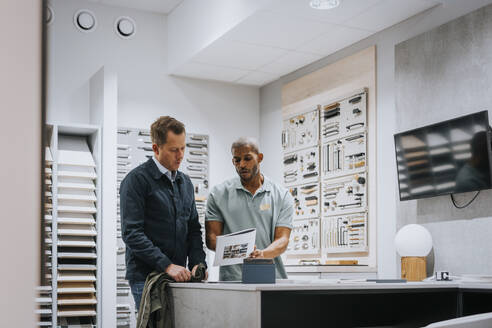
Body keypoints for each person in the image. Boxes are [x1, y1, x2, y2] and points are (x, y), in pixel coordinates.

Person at [120, 116, 207, 310]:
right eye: (174, 150)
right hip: (146, 278)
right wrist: (166, 265)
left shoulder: (185, 183)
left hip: (178, 276)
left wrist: (197, 263)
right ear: (156, 148)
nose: (180, 155)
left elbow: (193, 229)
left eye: (183, 148)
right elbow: (132, 233)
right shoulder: (136, 181)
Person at [205, 137, 293, 281]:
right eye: (237, 160)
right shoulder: (218, 194)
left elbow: (283, 239)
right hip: (233, 281)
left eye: (247, 158)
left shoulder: (282, 195)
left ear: (259, 158)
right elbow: (211, 239)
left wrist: (262, 254)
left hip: (273, 278)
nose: (242, 165)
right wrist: (242, 250)